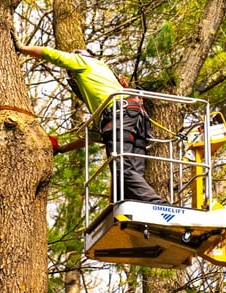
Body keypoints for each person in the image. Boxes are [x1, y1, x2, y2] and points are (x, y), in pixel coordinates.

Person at [17, 42, 165, 205]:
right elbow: (93, 136)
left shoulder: (84, 62)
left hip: (120, 115)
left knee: (122, 170)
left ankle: (159, 206)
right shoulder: (105, 85)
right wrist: (62, 149)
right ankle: (142, 208)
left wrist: (23, 48)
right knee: (130, 174)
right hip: (135, 117)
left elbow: (54, 55)